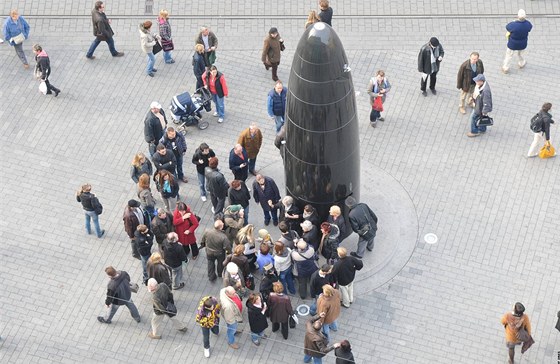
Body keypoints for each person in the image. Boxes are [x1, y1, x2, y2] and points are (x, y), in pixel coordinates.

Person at [502, 9, 533, 74]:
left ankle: (506, 67)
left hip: (512, 44)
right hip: (522, 43)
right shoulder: (527, 24)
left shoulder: (513, 25)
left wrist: (514, 21)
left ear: (517, 16)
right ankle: (521, 63)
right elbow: (530, 28)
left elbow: (507, 27)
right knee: (521, 54)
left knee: (509, 55)